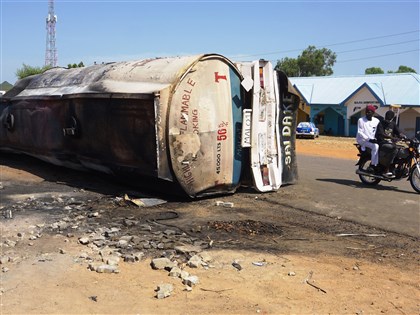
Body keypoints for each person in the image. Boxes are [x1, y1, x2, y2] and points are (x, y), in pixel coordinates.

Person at [375, 110, 405, 177]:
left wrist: (403, 136)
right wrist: (391, 137)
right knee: (394, 149)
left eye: (390, 117)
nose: (388, 118)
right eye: (387, 116)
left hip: (391, 142)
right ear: (385, 116)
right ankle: (387, 169)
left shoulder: (393, 124)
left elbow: (398, 132)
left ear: (392, 118)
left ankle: (397, 166)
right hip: (382, 143)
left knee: (401, 149)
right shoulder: (381, 123)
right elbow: (381, 134)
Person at [356, 104, 380, 173]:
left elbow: (379, 130)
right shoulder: (361, 120)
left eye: (369, 112)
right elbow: (360, 132)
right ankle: (372, 165)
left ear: (373, 113)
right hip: (362, 140)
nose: (367, 113)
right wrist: (369, 139)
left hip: (371, 139)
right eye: (366, 111)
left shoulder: (376, 121)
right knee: (376, 146)